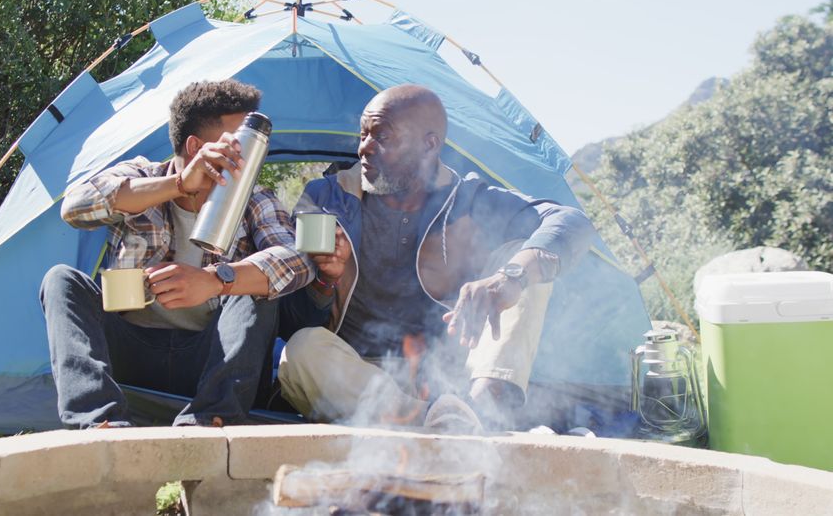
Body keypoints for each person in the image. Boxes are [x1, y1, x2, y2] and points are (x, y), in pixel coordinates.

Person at [277, 84, 595, 430]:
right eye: (364, 134)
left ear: (430, 144)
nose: (364, 148)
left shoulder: (469, 198)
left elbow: (572, 222)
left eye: (382, 136)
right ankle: (446, 428)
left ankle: (481, 411)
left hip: (451, 378)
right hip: (357, 378)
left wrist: (509, 278)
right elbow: (292, 320)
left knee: (524, 262)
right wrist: (324, 282)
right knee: (300, 350)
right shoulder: (328, 199)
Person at [41, 80, 314, 429]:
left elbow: (298, 259)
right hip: (131, 348)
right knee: (61, 280)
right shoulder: (143, 177)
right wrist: (181, 184)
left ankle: (210, 420)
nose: (247, 158)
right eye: (239, 144)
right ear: (196, 146)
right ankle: (99, 423)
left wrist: (217, 280)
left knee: (254, 290)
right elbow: (76, 208)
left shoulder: (254, 198)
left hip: (210, 358)